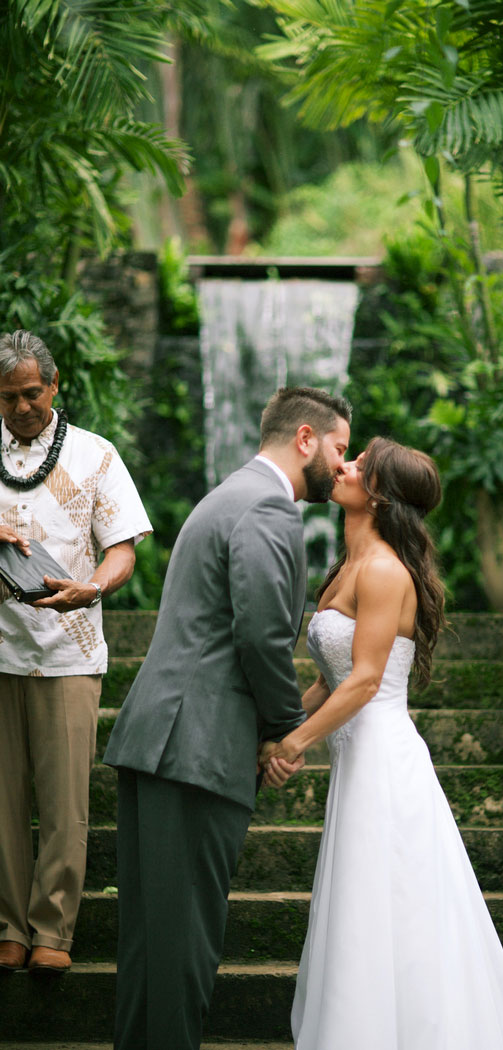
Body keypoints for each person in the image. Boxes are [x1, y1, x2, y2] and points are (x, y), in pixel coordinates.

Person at [260, 436, 503, 1050]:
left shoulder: (386, 569)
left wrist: (293, 746)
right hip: (357, 759)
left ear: (380, 495)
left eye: (360, 464)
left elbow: (364, 681)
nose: (345, 465)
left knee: (389, 907)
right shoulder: (348, 566)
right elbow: (325, 680)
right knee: (366, 910)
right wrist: (278, 728)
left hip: (384, 761)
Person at [103, 385, 351, 1050]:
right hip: (195, 749)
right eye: (339, 447)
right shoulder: (268, 508)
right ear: (305, 438)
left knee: (152, 951)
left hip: (163, 740)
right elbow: (263, 635)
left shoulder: (229, 495)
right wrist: (280, 731)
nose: (341, 463)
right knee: (182, 949)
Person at [0, 329, 152, 976]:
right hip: (0, 652)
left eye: (31, 393)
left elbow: (124, 547)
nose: (21, 407)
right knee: (2, 801)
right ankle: (7, 927)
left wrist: (91, 586)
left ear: (54, 386)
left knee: (66, 801)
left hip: (70, 651)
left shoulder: (95, 455)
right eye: (7, 398)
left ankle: (52, 930)